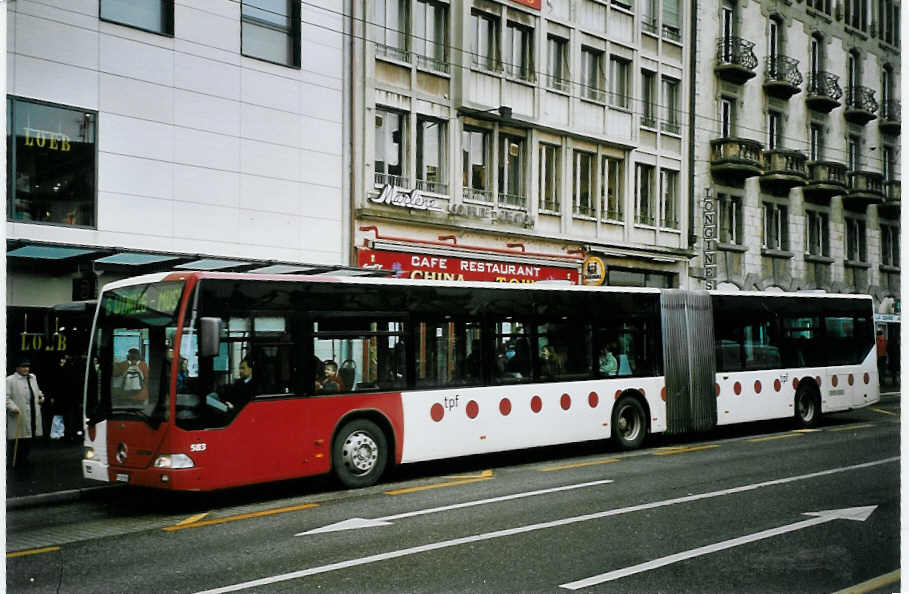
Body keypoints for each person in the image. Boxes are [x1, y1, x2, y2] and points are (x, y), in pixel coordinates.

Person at [6, 358, 46, 475]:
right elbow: (5, 397)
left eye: (28, 366)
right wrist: (12, 407)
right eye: (23, 366)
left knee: (29, 437)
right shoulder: (9, 380)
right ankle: (16, 461)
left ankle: (24, 459)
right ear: (17, 368)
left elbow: (37, 391)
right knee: (19, 439)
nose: (26, 369)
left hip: (33, 411)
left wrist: (41, 396)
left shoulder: (33, 377)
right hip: (19, 413)